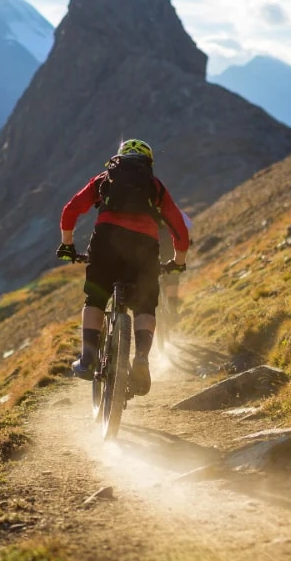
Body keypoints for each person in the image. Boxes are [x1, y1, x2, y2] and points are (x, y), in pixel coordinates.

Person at [56, 139, 189, 397]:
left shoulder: (105, 179)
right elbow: (180, 230)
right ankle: (140, 357)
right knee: (144, 305)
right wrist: (178, 262)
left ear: (120, 157)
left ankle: (88, 357)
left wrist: (67, 245)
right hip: (144, 247)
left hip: (106, 240)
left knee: (95, 297)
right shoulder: (155, 186)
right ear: (148, 162)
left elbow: (71, 209)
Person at [158, 208, 193, 327]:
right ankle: (172, 310)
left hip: (149, 244)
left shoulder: (141, 206)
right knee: (172, 274)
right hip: (168, 245)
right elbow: (187, 224)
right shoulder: (169, 206)